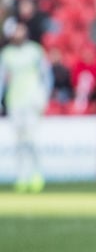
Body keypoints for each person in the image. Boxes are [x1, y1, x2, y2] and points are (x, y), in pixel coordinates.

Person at [0, 21, 53, 192]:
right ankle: (21, 176)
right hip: (15, 102)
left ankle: (37, 174)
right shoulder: (7, 54)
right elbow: (2, 81)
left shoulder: (35, 51)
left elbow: (46, 75)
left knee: (32, 140)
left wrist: (44, 96)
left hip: (32, 101)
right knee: (18, 142)